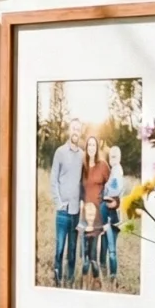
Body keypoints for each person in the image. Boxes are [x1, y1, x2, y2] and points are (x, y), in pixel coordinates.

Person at [49, 118, 86, 286]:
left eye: (78, 129)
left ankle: (69, 282)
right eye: (73, 128)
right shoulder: (60, 152)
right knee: (59, 248)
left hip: (75, 212)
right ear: (69, 130)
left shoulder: (83, 155)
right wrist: (58, 202)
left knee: (72, 250)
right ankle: (57, 281)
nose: (75, 131)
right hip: (63, 211)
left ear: (81, 132)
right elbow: (53, 179)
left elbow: (84, 182)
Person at [80, 135, 110, 287]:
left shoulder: (103, 165)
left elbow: (112, 186)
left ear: (97, 148)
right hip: (85, 215)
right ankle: (84, 282)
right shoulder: (83, 166)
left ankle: (97, 281)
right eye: (89, 145)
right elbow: (79, 189)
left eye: (94, 145)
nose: (91, 147)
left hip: (98, 215)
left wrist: (111, 205)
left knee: (93, 254)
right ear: (86, 148)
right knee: (84, 253)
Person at [102, 144, 126, 284]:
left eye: (115, 156)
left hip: (113, 215)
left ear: (119, 157)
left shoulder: (117, 171)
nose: (112, 159)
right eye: (111, 156)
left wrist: (105, 193)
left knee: (111, 248)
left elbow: (113, 191)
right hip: (110, 214)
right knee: (106, 245)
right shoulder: (114, 170)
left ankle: (112, 276)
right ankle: (106, 273)